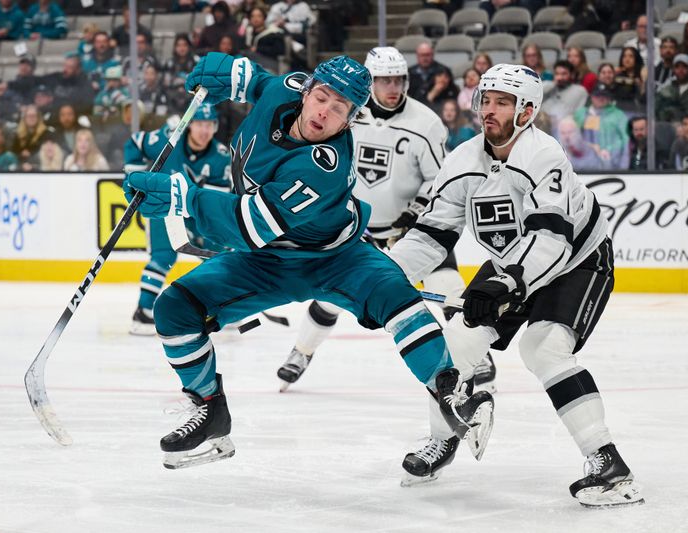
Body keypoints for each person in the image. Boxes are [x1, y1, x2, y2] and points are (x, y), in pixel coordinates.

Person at [122, 53, 495, 470]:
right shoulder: (288, 89)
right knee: (174, 307)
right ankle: (210, 408)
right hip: (265, 261)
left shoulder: (323, 167)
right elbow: (262, 83)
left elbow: (248, 225)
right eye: (321, 97)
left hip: (337, 258)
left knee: (398, 297)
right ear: (307, 90)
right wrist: (236, 75)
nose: (324, 112)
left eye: (340, 109)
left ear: (352, 119)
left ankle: (453, 394)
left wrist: (184, 199)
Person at [388, 64, 643, 507]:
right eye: (485, 100)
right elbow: (433, 234)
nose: (488, 110)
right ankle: (443, 440)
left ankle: (609, 463)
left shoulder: (543, 156)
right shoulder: (463, 159)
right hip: (513, 263)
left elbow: (551, 240)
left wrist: (508, 284)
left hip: (576, 260)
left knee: (543, 348)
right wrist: (385, 273)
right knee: (454, 344)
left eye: (501, 102)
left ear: (527, 111)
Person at [275, 47, 483, 392]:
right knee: (330, 296)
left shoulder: (426, 122)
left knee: (450, 291)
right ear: (368, 83)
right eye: (384, 80)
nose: (393, 87)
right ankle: (302, 351)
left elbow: (440, 178)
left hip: (416, 230)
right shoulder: (343, 116)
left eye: (398, 79)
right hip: (355, 230)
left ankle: (476, 358)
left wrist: (414, 212)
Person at [125, 104, 231, 335]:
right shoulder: (166, 138)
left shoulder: (221, 158)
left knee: (216, 255)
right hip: (164, 207)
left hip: (198, 210)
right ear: (190, 125)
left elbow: (213, 203)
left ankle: (221, 307)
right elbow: (135, 142)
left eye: (209, 125)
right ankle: (143, 312)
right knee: (163, 256)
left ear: (215, 128)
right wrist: (134, 177)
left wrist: (195, 228)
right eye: (199, 124)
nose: (204, 131)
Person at [574, 83, 630, 169]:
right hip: (584, 166)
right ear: (591, 96)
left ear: (610, 97)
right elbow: (573, 138)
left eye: (605, 95)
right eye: (597, 95)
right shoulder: (581, 114)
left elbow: (626, 141)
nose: (601, 98)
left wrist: (624, 166)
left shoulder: (619, 115)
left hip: (612, 165)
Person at [542, 60, 588, 133]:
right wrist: (553, 84)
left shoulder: (579, 91)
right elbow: (537, 93)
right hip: (544, 127)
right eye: (557, 74)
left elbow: (579, 115)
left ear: (572, 74)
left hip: (566, 129)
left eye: (564, 74)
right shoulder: (548, 86)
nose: (560, 77)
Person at [656, 54, 688, 123]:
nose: (681, 70)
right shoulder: (667, 89)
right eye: (677, 67)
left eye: (684, 67)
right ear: (673, 69)